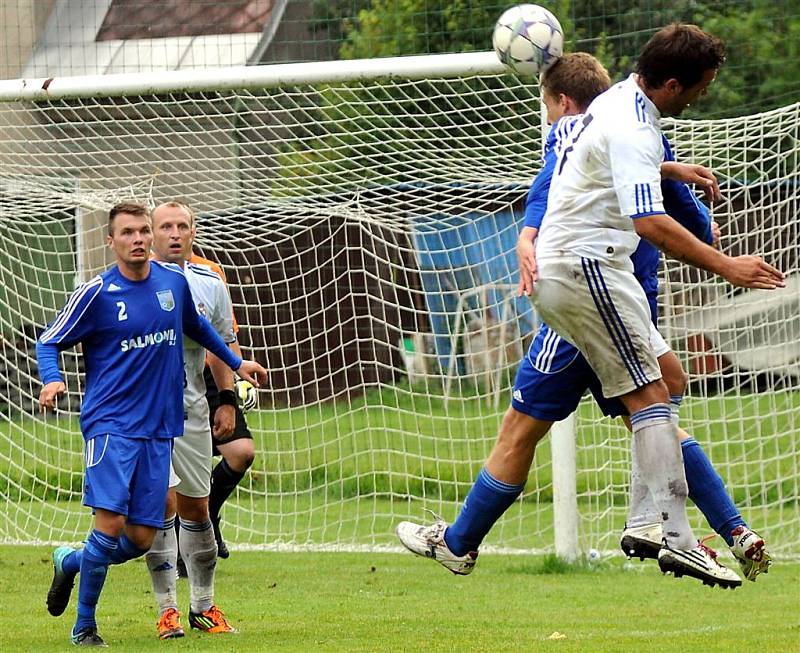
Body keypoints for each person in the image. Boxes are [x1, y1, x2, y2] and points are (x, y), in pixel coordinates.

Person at [397, 40, 779, 587]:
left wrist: (669, 170)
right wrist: (726, 266)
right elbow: (651, 221)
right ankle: (675, 536)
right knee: (633, 402)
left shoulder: (610, 110)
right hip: (590, 277)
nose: (700, 97)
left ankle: (681, 528)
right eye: (701, 86)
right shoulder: (631, 127)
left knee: (659, 386)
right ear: (672, 85)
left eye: (551, 106)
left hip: (589, 282)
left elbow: (566, 156)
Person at [37, 202, 266, 647]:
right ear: (112, 240)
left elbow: (198, 327)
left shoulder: (173, 284)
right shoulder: (97, 293)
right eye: (129, 233)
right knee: (109, 525)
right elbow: (49, 341)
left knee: (141, 537)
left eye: (143, 231)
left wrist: (238, 365)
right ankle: (85, 626)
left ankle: (70, 562)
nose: (138, 239)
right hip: (111, 425)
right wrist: (53, 379)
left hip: (162, 427)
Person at [145, 201, 244, 639]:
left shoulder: (209, 282)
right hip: (142, 416)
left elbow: (222, 342)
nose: (174, 233)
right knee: (161, 506)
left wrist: (226, 400)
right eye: (165, 226)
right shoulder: (128, 283)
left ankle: (203, 607)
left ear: (193, 231)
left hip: (191, 410)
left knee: (196, 507)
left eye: (182, 225)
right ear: (150, 232)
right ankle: (166, 610)